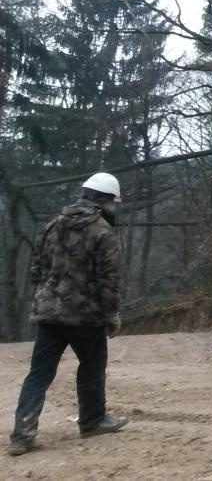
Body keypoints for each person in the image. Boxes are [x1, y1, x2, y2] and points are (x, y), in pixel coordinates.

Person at [8, 173, 129, 456]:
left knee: (38, 373)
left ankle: (22, 434)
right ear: (106, 201)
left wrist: (44, 300)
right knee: (92, 365)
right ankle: (92, 420)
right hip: (85, 316)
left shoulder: (53, 225)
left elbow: (37, 270)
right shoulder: (102, 232)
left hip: (49, 314)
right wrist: (111, 315)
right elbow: (108, 280)